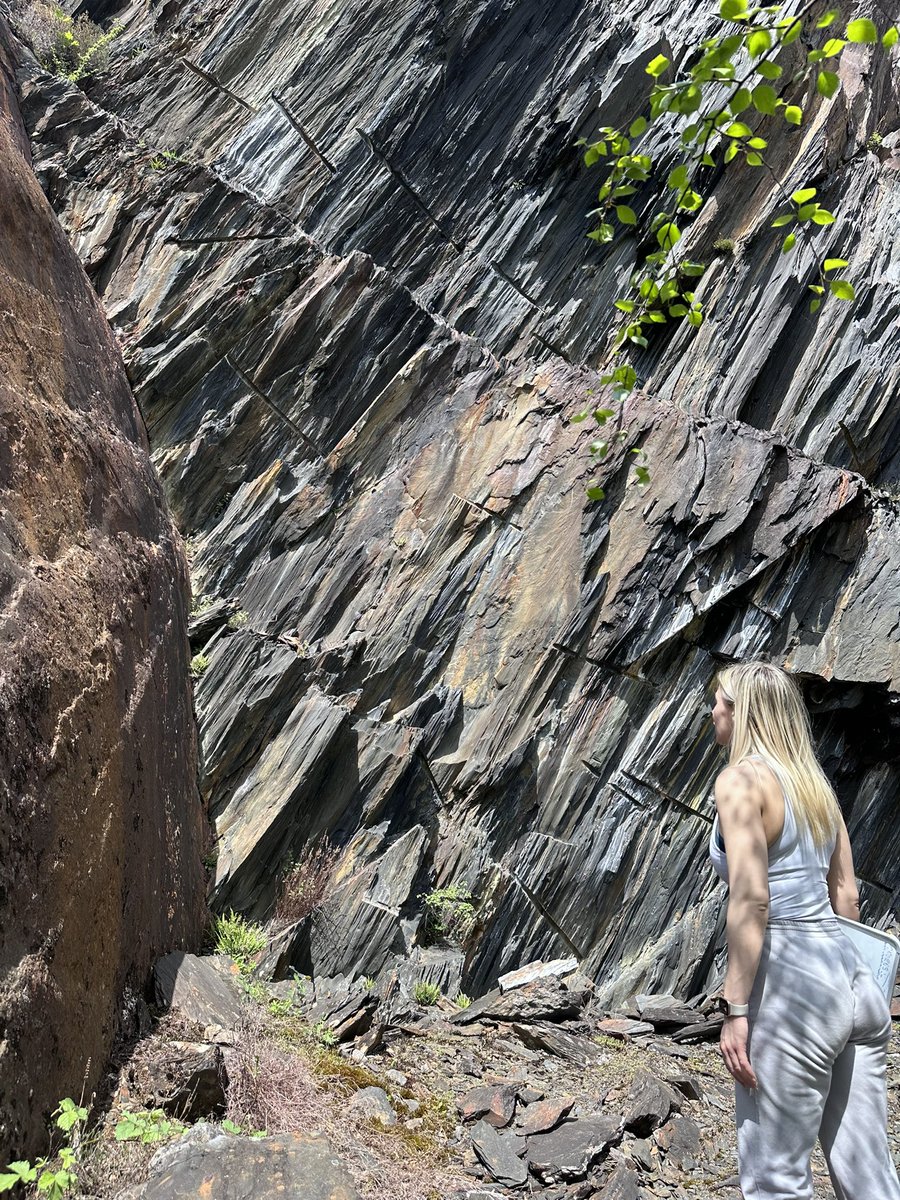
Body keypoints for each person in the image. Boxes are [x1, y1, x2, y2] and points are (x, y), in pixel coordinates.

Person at [708, 661, 900, 1200]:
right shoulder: (814, 783)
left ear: (743, 710)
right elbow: (848, 895)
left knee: (777, 1181)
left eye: (720, 699)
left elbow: (751, 898)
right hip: (852, 978)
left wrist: (736, 1010)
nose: (712, 709)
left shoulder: (740, 781)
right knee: (869, 1174)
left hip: (793, 986)